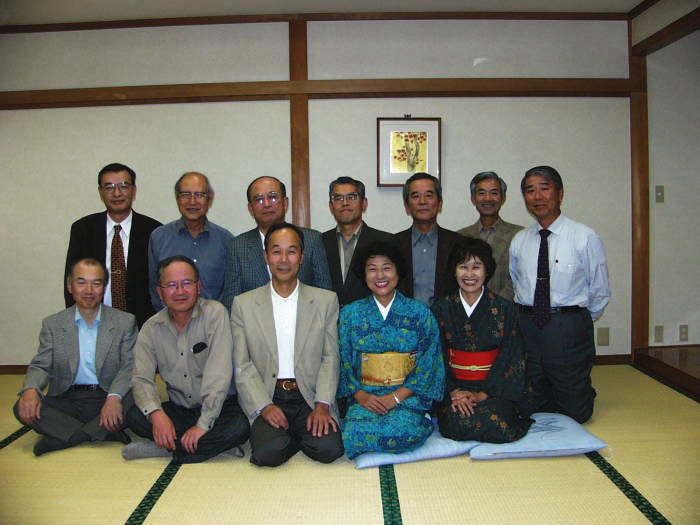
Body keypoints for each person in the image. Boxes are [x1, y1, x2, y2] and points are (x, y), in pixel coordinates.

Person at [232, 222, 343, 467]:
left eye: (291, 251)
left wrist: (322, 405)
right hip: (269, 394)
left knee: (329, 450)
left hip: (309, 396)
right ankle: (287, 437)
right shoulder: (243, 304)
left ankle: (292, 435)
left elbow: (330, 358)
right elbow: (242, 364)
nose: (283, 259)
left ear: (301, 257)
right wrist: (264, 406)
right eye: (276, 251)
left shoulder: (325, 301)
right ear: (266, 256)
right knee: (267, 455)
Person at [124, 255, 250, 463]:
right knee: (135, 416)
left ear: (198, 287)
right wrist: (157, 415)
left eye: (187, 283)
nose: (180, 291)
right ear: (160, 292)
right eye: (172, 285)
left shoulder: (215, 314)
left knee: (240, 427)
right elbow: (141, 378)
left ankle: (167, 450)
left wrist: (203, 425)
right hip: (180, 409)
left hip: (219, 407)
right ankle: (213, 447)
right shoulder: (151, 328)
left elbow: (218, 377)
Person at [510, 166, 610, 423]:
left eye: (544, 188)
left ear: (560, 193)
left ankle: (580, 391)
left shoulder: (584, 236)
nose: (538, 196)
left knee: (576, 414)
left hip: (567, 325)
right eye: (530, 191)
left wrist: (575, 319)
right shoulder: (520, 240)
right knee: (530, 409)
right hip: (528, 323)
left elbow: (599, 289)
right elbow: (517, 282)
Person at [15, 258, 137, 456]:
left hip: (106, 395)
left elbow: (129, 367)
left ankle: (64, 435)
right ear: (69, 286)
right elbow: (41, 365)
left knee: (136, 397)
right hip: (67, 398)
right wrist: (31, 390)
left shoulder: (125, 322)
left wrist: (114, 398)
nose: (89, 290)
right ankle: (99, 432)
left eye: (96, 283)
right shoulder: (53, 324)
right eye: (81, 282)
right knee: (22, 405)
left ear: (104, 287)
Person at [338, 241, 444, 458]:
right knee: (352, 436)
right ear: (364, 274)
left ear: (398, 272)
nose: (380, 276)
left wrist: (396, 397)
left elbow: (429, 361)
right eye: (372, 269)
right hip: (366, 397)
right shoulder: (350, 314)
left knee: (402, 432)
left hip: (406, 396)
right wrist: (360, 395)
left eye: (386, 268)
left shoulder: (419, 313)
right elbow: (341, 360)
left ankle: (420, 419)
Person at [431, 237, 532, 443]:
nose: (469, 274)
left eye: (476, 267)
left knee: (500, 424)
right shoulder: (441, 308)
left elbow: (512, 357)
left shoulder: (504, 308)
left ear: (487, 271)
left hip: (494, 389)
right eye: (463, 267)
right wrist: (454, 392)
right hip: (456, 389)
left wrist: (483, 394)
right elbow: (435, 357)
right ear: (454, 270)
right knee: (455, 422)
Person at [64, 163, 161, 327]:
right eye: (109, 187)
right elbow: (71, 281)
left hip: (144, 326)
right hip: (94, 324)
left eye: (123, 186)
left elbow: (160, 284)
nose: (117, 193)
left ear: (134, 191)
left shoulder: (154, 231)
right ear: (100, 192)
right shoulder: (83, 229)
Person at [222, 176, 332, 310]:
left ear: (285, 203)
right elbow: (232, 305)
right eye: (259, 199)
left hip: (305, 320)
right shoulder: (237, 247)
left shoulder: (312, 240)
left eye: (273, 197)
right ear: (250, 208)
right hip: (255, 322)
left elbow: (325, 297)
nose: (266, 204)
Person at [148, 172, 232, 310]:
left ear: (209, 199)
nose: (192, 201)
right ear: (177, 198)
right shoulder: (159, 238)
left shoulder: (226, 240)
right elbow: (154, 288)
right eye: (186, 194)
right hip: (170, 320)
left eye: (199, 194)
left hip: (214, 321)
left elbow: (230, 291)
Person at [322, 176, 394, 307]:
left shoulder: (386, 241)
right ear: (331, 207)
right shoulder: (320, 242)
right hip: (329, 317)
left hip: (370, 317)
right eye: (338, 198)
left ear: (364, 204)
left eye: (351, 197)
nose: (345, 203)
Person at [395, 172, 462, 307]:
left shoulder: (459, 244)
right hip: (403, 318)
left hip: (447, 318)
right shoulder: (393, 245)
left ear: (440, 204)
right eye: (415, 196)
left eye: (429, 195)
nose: (422, 201)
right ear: (407, 207)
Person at [458, 171, 523, 301]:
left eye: (494, 193)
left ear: (503, 198)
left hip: (507, 308)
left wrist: (497, 304)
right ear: (473, 199)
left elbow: (521, 276)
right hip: (468, 308)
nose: (488, 198)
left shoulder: (519, 235)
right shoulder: (460, 236)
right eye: (481, 193)